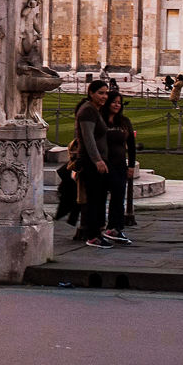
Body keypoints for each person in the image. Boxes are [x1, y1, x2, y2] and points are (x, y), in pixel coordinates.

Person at [73, 80, 112, 247]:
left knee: (98, 197)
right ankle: (92, 235)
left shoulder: (94, 110)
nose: (104, 96)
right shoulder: (88, 111)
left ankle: (95, 232)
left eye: (106, 93)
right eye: (101, 93)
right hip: (91, 162)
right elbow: (88, 138)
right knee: (93, 198)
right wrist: (98, 160)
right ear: (91, 93)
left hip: (96, 160)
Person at [103, 91, 137, 245]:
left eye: (119, 102)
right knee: (101, 197)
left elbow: (131, 145)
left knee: (119, 196)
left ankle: (115, 228)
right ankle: (99, 228)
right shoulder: (100, 120)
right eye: (114, 102)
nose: (117, 105)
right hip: (104, 164)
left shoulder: (124, 121)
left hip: (120, 164)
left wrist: (131, 166)